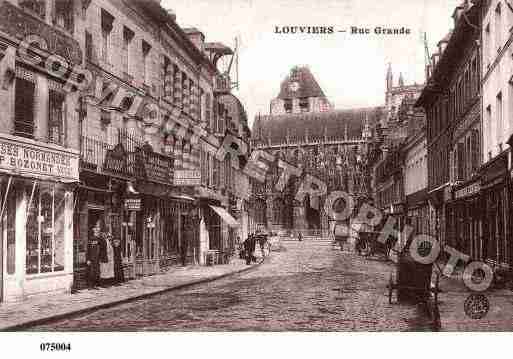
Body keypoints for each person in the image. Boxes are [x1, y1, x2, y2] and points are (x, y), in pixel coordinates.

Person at [86, 220, 103, 289]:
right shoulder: (91, 239)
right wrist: (88, 259)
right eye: (95, 229)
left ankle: (95, 284)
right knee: (91, 272)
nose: (97, 230)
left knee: (96, 272)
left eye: (98, 229)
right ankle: (90, 285)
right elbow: (88, 250)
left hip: (97, 258)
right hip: (91, 258)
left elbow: (101, 248)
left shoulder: (100, 239)